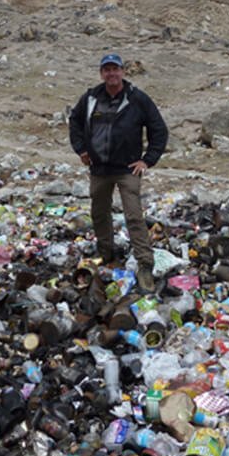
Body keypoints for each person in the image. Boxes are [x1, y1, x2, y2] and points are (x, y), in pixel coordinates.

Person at [69, 54, 168, 292]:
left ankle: (145, 265)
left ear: (123, 71)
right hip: (99, 169)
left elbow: (159, 129)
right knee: (99, 213)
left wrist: (147, 160)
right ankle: (106, 253)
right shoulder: (91, 97)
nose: (111, 74)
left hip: (127, 170)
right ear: (101, 73)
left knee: (134, 215)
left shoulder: (137, 99)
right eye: (107, 70)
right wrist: (81, 149)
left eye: (115, 69)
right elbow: (74, 121)